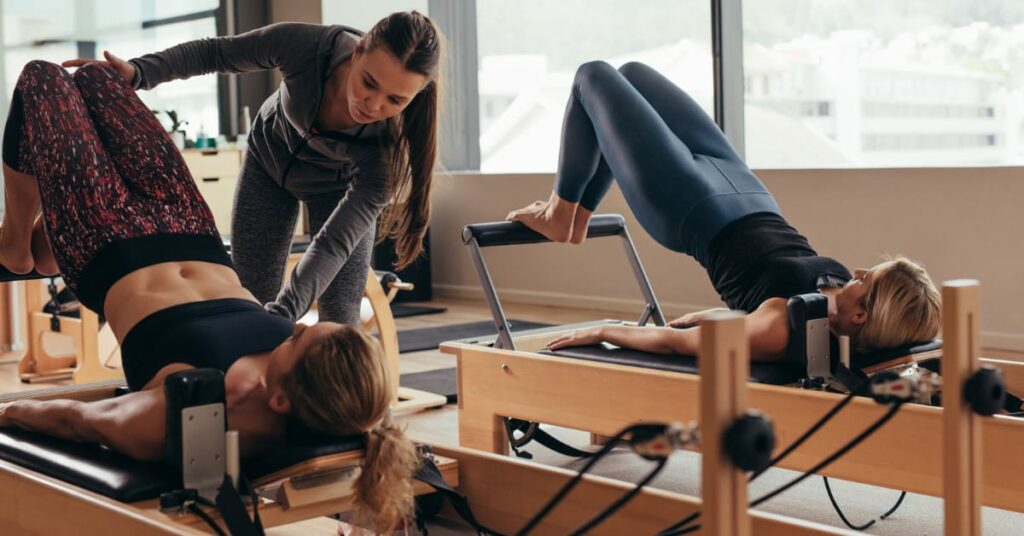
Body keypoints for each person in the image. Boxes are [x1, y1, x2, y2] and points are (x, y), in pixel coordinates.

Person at [0, 60, 416, 532]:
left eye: (297, 340)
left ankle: (18, 244)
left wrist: (10, 412)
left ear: (278, 400)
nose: (296, 326)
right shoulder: (322, 383)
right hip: (192, 230)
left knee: (43, 78)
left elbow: (79, 420)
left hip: (105, 244)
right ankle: (43, 238)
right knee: (97, 79)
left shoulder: (187, 413)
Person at [507, 61, 940, 360]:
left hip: (688, 206)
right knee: (633, 76)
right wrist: (718, 314)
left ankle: (562, 215)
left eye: (867, 280)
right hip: (744, 189)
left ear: (861, 315)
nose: (859, 271)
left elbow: (682, 345)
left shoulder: (784, 327)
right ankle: (574, 218)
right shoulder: (834, 297)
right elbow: (743, 312)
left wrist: (604, 331)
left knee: (593, 77)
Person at [62, 11, 442, 324]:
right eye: (368, 83)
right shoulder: (307, 47)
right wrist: (140, 72)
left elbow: (331, 244)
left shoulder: (387, 149)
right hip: (268, 164)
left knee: (339, 316)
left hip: (339, 188)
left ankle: (340, 414)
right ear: (358, 53)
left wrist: (285, 315)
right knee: (250, 296)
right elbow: (217, 53)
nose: (373, 106)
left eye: (395, 99)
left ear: (415, 95)